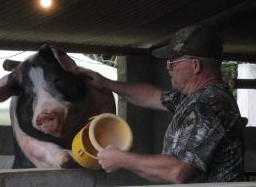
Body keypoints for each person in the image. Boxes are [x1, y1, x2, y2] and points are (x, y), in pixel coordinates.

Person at [76, 25, 245, 183]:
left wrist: (121, 159)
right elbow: (151, 96)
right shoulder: (196, 97)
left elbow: (178, 170)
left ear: (195, 66)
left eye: (172, 63)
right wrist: (106, 83)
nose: (168, 68)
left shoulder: (207, 105)